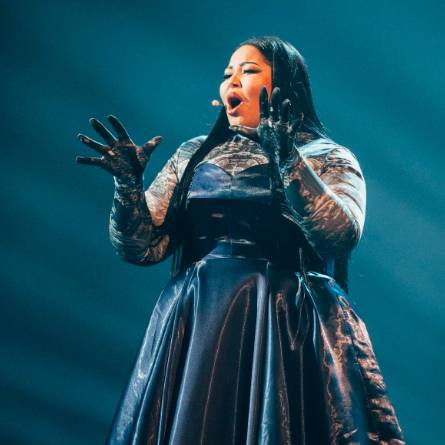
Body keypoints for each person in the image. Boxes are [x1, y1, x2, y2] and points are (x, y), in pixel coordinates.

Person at [76, 36, 404, 445]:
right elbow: (142, 248)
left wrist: (289, 161)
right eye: (227, 73)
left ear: (283, 86)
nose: (231, 82)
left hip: (284, 319)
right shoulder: (194, 154)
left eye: (248, 71)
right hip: (200, 316)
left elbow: (339, 236)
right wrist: (127, 187)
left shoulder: (327, 155)